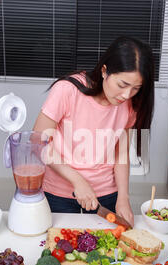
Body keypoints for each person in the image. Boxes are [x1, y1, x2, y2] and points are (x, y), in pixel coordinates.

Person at [33, 36, 155, 227]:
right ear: (105, 71)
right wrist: (77, 180)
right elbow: (38, 142)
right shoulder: (67, 90)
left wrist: (123, 197)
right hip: (59, 193)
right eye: (122, 85)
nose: (126, 95)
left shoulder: (131, 104)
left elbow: (121, 153)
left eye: (136, 88)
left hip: (106, 194)